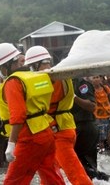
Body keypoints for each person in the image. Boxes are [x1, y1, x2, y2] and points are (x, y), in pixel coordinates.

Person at [0, 43, 64, 185]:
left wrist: (11, 143)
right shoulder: (33, 76)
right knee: (51, 177)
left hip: (29, 137)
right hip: (45, 132)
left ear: (7, 65)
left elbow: (18, 115)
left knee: (13, 181)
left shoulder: (13, 82)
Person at [24, 45, 92, 185]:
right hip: (64, 127)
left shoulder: (46, 80)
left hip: (57, 130)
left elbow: (41, 107)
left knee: (75, 173)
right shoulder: (61, 74)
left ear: (35, 65)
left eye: (31, 67)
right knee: (50, 172)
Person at [72, 77, 110, 181]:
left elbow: (92, 106)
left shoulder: (82, 84)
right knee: (80, 164)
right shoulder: (65, 83)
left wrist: (73, 96)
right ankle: (100, 179)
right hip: (75, 128)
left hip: (86, 127)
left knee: (85, 165)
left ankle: (101, 179)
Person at [90, 75, 110, 153]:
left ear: (100, 79)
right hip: (98, 117)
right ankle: (102, 154)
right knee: (100, 138)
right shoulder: (91, 90)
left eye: (97, 77)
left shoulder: (106, 88)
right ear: (91, 80)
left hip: (108, 115)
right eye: (94, 77)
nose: (96, 79)